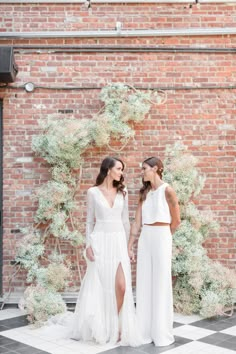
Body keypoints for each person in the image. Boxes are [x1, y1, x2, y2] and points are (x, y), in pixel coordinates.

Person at [70, 156, 142, 346]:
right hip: (100, 240)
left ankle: (118, 326)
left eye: (122, 169)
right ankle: (102, 327)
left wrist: (129, 246)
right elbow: (88, 221)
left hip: (118, 240)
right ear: (108, 169)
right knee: (100, 286)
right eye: (119, 168)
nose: (121, 172)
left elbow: (126, 221)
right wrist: (88, 245)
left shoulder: (123, 191)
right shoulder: (93, 192)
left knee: (121, 286)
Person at [128, 157, 181, 347]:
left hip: (161, 236)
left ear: (156, 169)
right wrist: (131, 245)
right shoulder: (145, 193)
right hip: (145, 238)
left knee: (160, 282)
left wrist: (165, 236)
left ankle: (161, 333)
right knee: (144, 281)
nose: (142, 172)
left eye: (145, 169)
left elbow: (176, 220)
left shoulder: (167, 190)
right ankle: (144, 331)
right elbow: (136, 221)